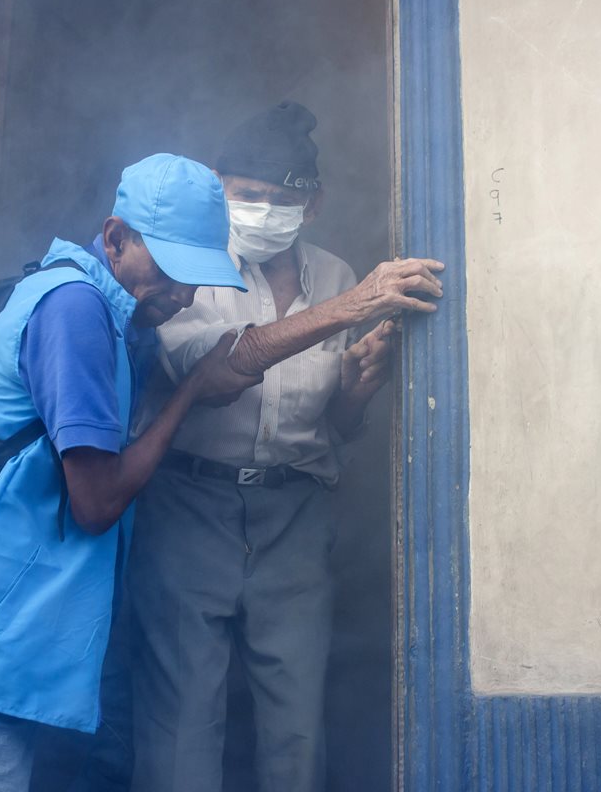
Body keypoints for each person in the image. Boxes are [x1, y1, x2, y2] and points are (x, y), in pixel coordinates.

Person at [0, 153, 263, 792]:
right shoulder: (75, 310)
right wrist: (190, 394)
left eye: (197, 275)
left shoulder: (115, 316)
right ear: (115, 238)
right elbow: (95, 502)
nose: (186, 294)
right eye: (171, 268)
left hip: (30, 641)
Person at [128, 102, 445, 792]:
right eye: (249, 195)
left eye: (284, 199)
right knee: (182, 717)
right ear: (220, 188)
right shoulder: (190, 270)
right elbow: (209, 373)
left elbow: (330, 426)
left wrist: (357, 389)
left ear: (314, 204)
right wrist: (352, 309)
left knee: (296, 721)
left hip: (294, 517)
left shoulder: (335, 276)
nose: (266, 210)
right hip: (189, 506)